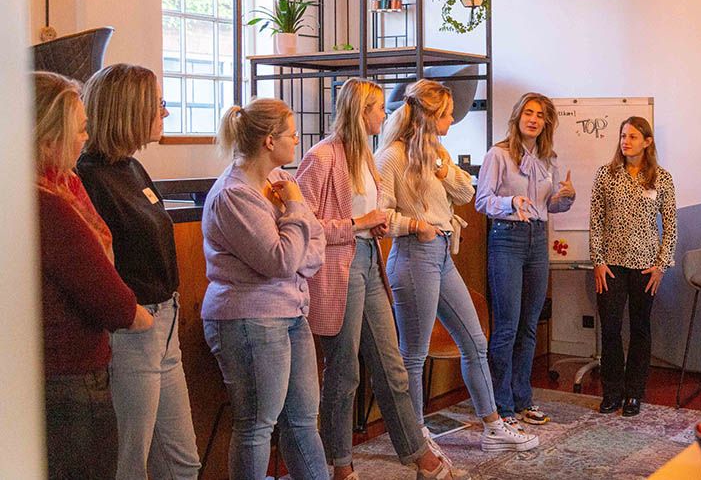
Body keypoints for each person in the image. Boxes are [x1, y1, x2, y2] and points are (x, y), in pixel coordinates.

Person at [297, 78, 466, 480]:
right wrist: (357, 223)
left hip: (369, 260)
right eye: (377, 108)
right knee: (344, 372)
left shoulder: (366, 156)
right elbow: (302, 225)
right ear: (361, 112)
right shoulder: (322, 157)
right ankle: (341, 465)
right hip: (339, 268)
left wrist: (381, 224)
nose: (385, 115)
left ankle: (418, 455)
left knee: (392, 367)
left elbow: (376, 213)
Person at [375, 79, 538, 453]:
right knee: (414, 354)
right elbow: (380, 216)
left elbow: (466, 192)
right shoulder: (392, 156)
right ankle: (416, 436)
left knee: (475, 341)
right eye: (447, 114)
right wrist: (414, 225)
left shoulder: (437, 152)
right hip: (414, 255)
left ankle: (493, 427)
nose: (452, 120)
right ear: (429, 116)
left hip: (442, 255)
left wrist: (441, 166)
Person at [77, 64, 200, 479]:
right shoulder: (88, 177)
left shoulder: (131, 167)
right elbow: (94, 265)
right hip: (132, 329)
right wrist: (134, 314)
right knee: (131, 463)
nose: (165, 113)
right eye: (158, 104)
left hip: (166, 321)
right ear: (129, 110)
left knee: (183, 463)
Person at [34, 71, 153, 479]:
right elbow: (106, 295)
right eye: (80, 130)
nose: (85, 138)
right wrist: (138, 315)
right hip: (69, 374)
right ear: (50, 137)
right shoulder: (48, 204)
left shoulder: (58, 187)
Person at [201, 98, 328, 478]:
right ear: (270, 141)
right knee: (257, 425)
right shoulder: (234, 194)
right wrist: (295, 213)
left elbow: (315, 243)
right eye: (292, 134)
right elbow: (280, 260)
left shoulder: (281, 181)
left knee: (303, 420)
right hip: (249, 318)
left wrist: (295, 240)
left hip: (291, 311)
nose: (298, 141)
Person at [476, 92, 575, 428]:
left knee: (529, 325)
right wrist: (511, 202)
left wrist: (566, 198)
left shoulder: (548, 159)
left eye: (540, 115)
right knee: (507, 325)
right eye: (529, 113)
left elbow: (550, 205)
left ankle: (523, 398)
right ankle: (501, 405)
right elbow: (482, 201)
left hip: (537, 239)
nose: (534, 119)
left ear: (547, 123)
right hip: (507, 237)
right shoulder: (498, 155)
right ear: (518, 117)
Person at [589, 116, 676, 417]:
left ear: (647, 142)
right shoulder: (606, 174)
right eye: (623, 136)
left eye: (633, 136)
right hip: (610, 266)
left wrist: (661, 266)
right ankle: (612, 391)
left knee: (640, 328)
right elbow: (596, 220)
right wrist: (598, 261)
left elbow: (671, 225)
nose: (626, 141)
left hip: (645, 267)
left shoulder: (661, 178)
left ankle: (634, 394)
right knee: (610, 328)